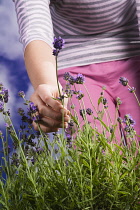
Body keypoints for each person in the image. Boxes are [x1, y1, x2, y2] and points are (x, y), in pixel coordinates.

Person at [13, 0, 140, 142]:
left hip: (133, 47)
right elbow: (35, 25)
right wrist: (47, 84)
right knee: (96, 151)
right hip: (75, 63)